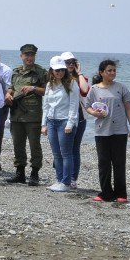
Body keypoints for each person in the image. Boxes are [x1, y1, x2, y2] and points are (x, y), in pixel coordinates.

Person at [85, 59, 130, 203]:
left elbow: (128, 108)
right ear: (102, 73)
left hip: (119, 130)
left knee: (119, 162)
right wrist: (94, 113)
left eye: (114, 70)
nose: (113, 73)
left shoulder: (121, 87)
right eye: (109, 70)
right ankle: (105, 193)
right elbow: (87, 106)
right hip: (101, 130)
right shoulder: (94, 89)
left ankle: (121, 194)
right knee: (104, 162)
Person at [6, 43, 48, 186]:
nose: (29, 57)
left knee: (34, 146)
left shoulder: (41, 72)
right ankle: (20, 173)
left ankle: (34, 174)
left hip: (33, 115)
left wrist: (34, 88)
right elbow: (12, 87)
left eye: (32, 55)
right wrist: (8, 94)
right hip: (16, 114)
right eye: (27, 55)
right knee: (18, 144)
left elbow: (48, 92)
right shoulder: (16, 72)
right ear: (21, 56)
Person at [42, 56, 79, 192]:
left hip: (65, 121)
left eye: (62, 70)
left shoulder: (72, 83)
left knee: (66, 153)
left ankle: (66, 182)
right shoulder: (49, 84)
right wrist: (43, 124)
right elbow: (46, 105)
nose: (60, 73)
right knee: (56, 153)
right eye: (57, 70)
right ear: (51, 71)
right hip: (51, 121)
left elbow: (74, 105)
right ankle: (59, 180)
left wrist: (70, 123)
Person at [60, 51, 90, 188]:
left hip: (79, 117)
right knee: (62, 148)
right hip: (61, 117)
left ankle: (72, 178)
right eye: (67, 62)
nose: (70, 64)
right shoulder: (57, 78)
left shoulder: (80, 78)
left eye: (73, 62)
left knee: (74, 148)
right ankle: (62, 175)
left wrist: (80, 73)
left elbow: (85, 90)